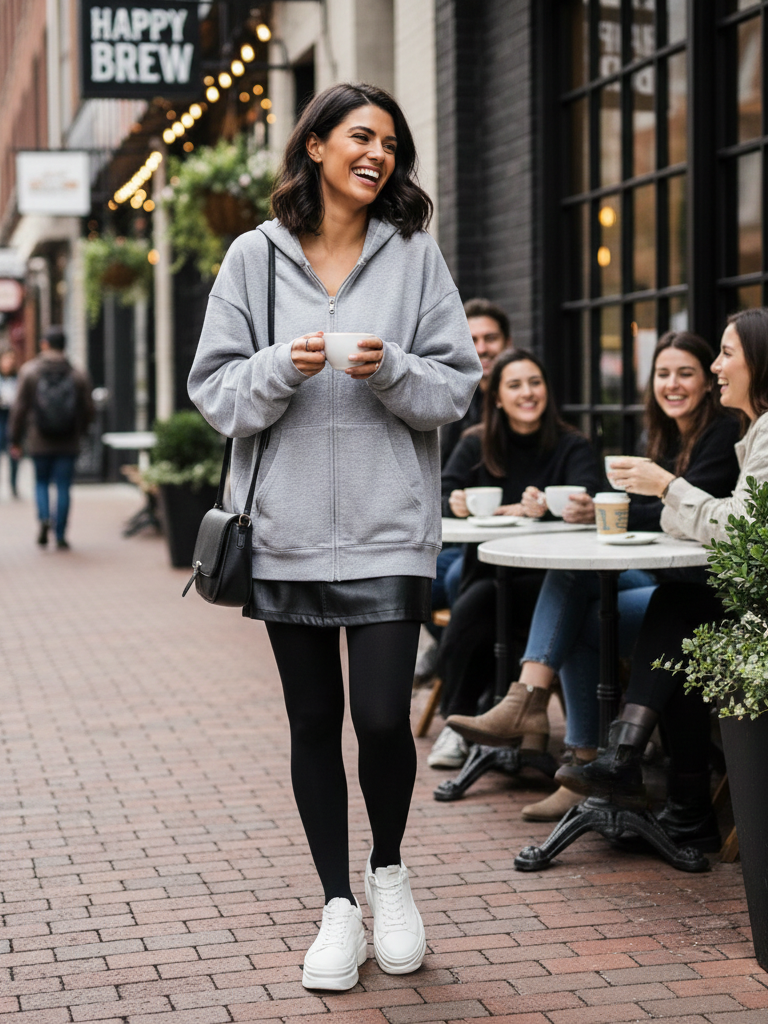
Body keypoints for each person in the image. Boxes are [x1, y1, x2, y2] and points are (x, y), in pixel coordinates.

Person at [188, 82, 481, 992]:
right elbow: (215, 393)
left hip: (391, 530)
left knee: (383, 718)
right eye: (361, 136)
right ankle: (337, 909)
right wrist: (280, 365)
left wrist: (390, 366)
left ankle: (387, 873)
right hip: (284, 531)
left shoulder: (416, 257)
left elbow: (455, 387)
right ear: (314, 145)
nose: (379, 154)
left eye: (391, 143)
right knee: (314, 721)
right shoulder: (251, 258)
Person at [447, 331, 741, 821]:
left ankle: (531, 705)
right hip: (666, 586)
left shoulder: (722, 435)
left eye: (686, 373)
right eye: (662, 373)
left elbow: (683, 514)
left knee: (573, 601)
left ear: (708, 383)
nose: (672, 384)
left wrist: (624, 508)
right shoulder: (667, 436)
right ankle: (569, 750)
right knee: (570, 593)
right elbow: (653, 509)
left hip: (693, 598)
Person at [555, 308, 768, 850]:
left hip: (756, 617)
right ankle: (678, 803)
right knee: (678, 617)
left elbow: (737, 530)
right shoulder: (753, 434)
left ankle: (629, 762)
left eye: (725, 354)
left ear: (759, 362)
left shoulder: (751, 436)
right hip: (737, 602)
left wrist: (667, 486)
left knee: (678, 613)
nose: (719, 366)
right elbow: (716, 522)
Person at [427, 348, 601, 769]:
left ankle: (470, 720)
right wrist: (459, 502)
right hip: (489, 574)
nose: (528, 393)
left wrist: (561, 508)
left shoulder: (573, 445)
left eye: (535, 383)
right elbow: (440, 497)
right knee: (479, 600)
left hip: (553, 583)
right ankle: (463, 721)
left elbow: (589, 496)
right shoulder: (476, 445)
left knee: (479, 604)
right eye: (515, 385)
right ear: (498, 397)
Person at [416, 298, 514, 683]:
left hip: (512, 540)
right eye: (472, 339)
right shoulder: (454, 402)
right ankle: (453, 649)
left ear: (507, 341)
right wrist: (451, 502)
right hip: (460, 538)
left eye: (491, 337)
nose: (483, 347)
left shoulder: (529, 396)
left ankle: (464, 669)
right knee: (413, 578)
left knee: (459, 580)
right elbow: (437, 485)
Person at [8, 327, 94, 549]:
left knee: (41, 482)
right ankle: (61, 533)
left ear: (44, 344)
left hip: (38, 439)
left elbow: (19, 408)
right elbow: (88, 409)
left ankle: (45, 518)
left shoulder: (29, 371)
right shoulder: (77, 373)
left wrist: (14, 439)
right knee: (64, 486)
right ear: (64, 346)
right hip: (68, 440)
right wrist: (81, 432)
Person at [0, 348, 20, 497]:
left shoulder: (18, 378)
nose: (8, 363)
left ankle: (13, 485)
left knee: (14, 453)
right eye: (5, 360)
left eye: (11, 360)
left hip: (13, 420)